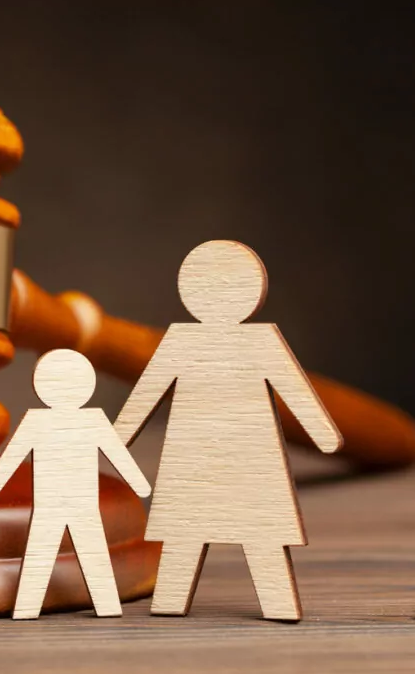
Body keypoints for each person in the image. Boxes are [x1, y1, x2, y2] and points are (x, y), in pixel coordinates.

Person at [114, 240, 342, 621]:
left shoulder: (253, 340)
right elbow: (149, 391)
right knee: (196, 530)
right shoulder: (186, 341)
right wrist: (119, 435)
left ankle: (276, 604)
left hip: (243, 457)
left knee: (253, 532)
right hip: (204, 458)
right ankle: (174, 601)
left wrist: (119, 437)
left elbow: (293, 389)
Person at [0, 348, 151, 619]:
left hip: (78, 503)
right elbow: (14, 455)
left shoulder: (88, 419)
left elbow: (116, 452)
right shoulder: (42, 420)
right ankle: (30, 607)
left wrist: (137, 481)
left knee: (79, 550)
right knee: (46, 551)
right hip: (53, 503)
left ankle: (100, 606)